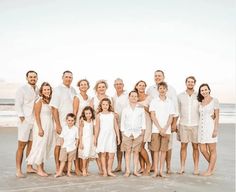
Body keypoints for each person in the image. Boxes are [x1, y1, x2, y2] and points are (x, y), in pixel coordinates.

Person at [147, 70, 178, 174]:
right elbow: (152, 114)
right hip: (155, 128)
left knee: (165, 149)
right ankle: (156, 170)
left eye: (159, 75)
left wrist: (169, 126)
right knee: (155, 150)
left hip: (167, 129)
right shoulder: (152, 96)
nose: (157, 77)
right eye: (155, 76)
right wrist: (160, 128)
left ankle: (163, 169)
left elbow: (172, 114)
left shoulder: (170, 99)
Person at [49, 71, 77, 173]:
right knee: (58, 145)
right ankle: (57, 166)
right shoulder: (57, 90)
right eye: (66, 77)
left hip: (71, 123)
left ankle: (65, 167)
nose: (68, 79)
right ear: (62, 77)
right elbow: (54, 108)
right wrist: (58, 124)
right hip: (61, 122)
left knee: (68, 144)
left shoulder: (73, 90)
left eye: (70, 77)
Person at [26, 82, 55, 177]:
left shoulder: (49, 100)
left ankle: (42, 168)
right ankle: (38, 169)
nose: (47, 91)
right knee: (40, 145)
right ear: (41, 91)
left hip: (49, 125)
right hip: (41, 125)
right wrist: (40, 128)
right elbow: (37, 115)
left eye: (48, 89)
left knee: (45, 146)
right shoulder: (39, 100)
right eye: (45, 90)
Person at [15, 70, 39, 177]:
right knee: (21, 145)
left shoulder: (38, 89)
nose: (33, 78)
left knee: (31, 145)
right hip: (25, 121)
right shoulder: (22, 89)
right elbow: (18, 104)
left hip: (35, 121)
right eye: (31, 77)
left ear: (37, 78)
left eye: (34, 77)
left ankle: (29, 167)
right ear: (27, 78)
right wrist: (22, 118)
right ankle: (18, 170)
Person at [121, 90, 146, 177]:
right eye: (132, 96)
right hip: (127, 133)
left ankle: (135, 170)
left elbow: (143, 120)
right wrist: (123, 131)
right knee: (127, 151)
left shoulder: (141, 109)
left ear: (138, 98)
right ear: (129, 97)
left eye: (135, 96)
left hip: (138, 133)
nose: (134, 98)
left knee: (136, 152)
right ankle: (127, 170)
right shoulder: (125, 109)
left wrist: (142, 131)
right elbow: (122, 121)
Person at [177, 76, 199, 175]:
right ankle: (182, 167)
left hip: (196, 125)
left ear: (194, 83)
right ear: (186, 83)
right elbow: (177, 111)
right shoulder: (180, 96)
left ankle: (196, 168)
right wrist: (175, 123)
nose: (190, 83)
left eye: (192, 82)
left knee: (195, 147)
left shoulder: (199, 95)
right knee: (183, 146)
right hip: (183, 124)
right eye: (188, 82)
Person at [197, 83, 219, 176]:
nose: (204, 91)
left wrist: (215, 129)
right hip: (201, 128)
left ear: (209, 90)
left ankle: (209, 170)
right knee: (202, 149)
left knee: (212, 149)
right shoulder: (200, 102)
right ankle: (212, 166)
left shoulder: (214, 100)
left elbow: (217, 116)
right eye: (202, 90)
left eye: (205, 89)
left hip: (210, 127)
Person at [94, 98, 120, 177]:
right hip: (102, 136)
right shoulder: (99, 115)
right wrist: (95, 138)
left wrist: (118, 137)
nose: (105, 106)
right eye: (103, 104)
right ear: (101, 106)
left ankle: (109, 171)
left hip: (111, 136)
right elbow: (97, 128)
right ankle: (104, 171)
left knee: (111, 154)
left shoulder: (112, 115)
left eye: (107, 104)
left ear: (109, 105)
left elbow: (116, 126)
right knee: (103, 154)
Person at [73, 79, 91, 174]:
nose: (83, 86)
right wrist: (76, 125)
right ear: (79, 86)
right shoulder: (77, 97)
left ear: (88, 86)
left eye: (85, 84)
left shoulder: (89, 98)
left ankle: (82, 167)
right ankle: (76, 168)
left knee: (84, 147)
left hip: (87, 125)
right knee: (77, 147)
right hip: (78, 124)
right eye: (81, 84)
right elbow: (75, 112)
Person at [134, 80, 151, 175]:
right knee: (138, 146)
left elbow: (152, 110)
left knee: (141, 146)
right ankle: (142, 167)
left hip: (146, 123)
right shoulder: (134, 96)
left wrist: (143, 106)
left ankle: (148, 164)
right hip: (136, 124)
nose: (141, 87)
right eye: (140, 85)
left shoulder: (149, 98)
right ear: (136, 86)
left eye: (143, 85)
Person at [112, 78, 128, 172]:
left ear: (123, 85)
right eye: (117, 84)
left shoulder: (127, 95)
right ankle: (119, 165)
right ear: (114, 86)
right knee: (118, 145)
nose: (118, 85)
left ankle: (127, 166)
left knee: (125, 146)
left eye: (120, 84)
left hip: (126, 125)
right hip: (116, 125)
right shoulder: (113, 97)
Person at [55, 113, 79, 177]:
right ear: (66, 120)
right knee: (63, 160)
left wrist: (76, 146)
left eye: (72, 120)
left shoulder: (75, 128)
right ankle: (60, 172)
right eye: (69, 120)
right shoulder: (64, 128)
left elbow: (77, 138)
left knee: (70, 161)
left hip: (72, 147)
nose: (70, 122)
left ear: (74, 121)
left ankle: (68, 172)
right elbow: (61, 137)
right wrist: (62, 145)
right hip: (65, 147)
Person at [78, 106, 98, 176]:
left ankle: (86, 169)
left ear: (92, 113)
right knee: (85, 155)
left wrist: (95, 139)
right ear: (84, 114)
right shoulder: (82, 120)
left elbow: (94, 131)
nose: (88, 115)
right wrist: (80, 142)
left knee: (88, 155)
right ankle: (83, 169)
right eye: (86, 113)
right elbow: (80, 132)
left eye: (89, 113)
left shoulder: (93, 120)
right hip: (84, 140)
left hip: (90, 140)